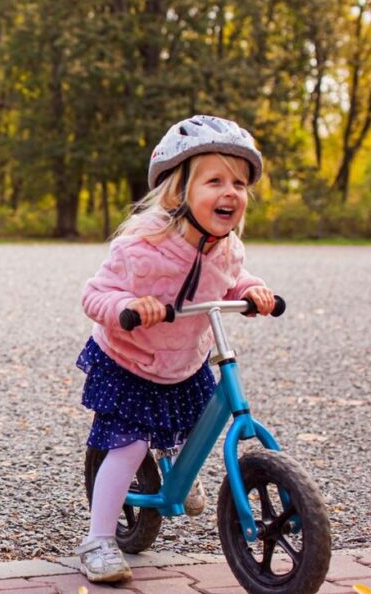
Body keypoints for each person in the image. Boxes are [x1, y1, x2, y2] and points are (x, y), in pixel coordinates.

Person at [75, 115, 277, 583]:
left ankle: (178, 468)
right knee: (128, 448)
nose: (231, 192)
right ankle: (99, 540)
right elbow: (94, 294)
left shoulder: (228, 248)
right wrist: (128, 305)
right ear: (177, 192)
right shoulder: (142, 245)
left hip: (184, 361)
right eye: (215, 181)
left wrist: (254, 291)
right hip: (129, 362)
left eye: (240, 183)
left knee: (196, 425)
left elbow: (233, 281)